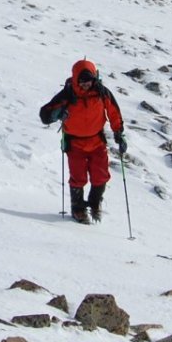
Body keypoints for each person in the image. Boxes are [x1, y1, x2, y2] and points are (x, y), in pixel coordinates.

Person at [39, 59, 126, 223]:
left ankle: (94, 203)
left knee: (100, 176)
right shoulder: (68, 94)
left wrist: (119, 133)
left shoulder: (101, 92)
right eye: (83, 82)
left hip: (97, 141)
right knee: (78, 177)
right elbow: (45, 115)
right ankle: (78, 209)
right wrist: (56, 114)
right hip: (75, 143)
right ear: (76, 79)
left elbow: (114, 112)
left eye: (89, 81)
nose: (86, 85)